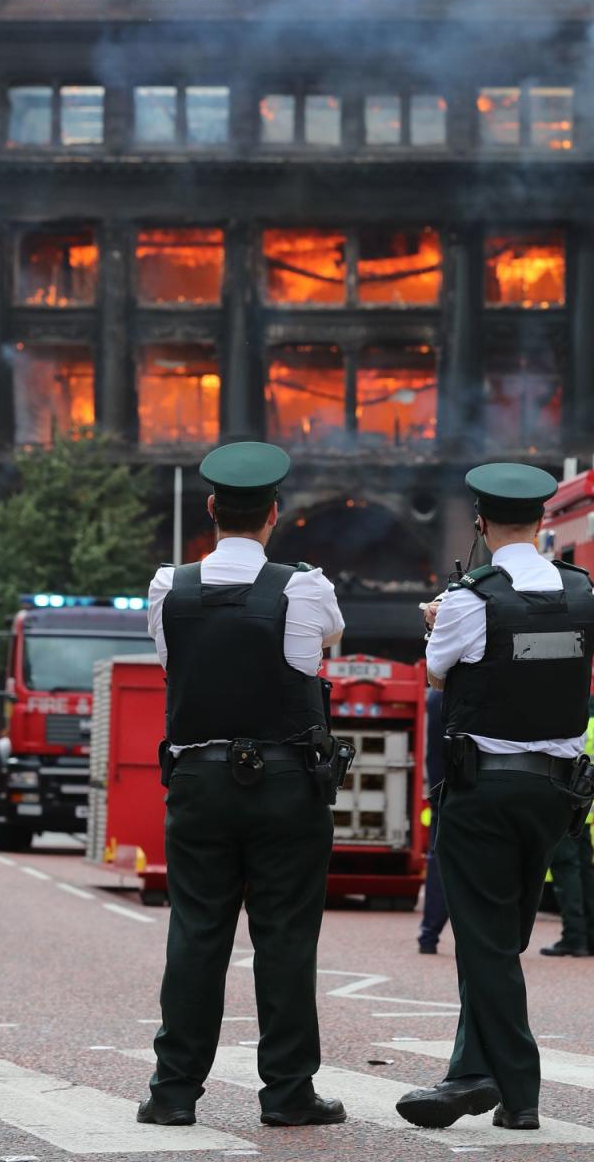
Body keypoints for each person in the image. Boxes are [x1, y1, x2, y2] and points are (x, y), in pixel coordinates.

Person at [137, 441, 347, 1130]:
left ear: (209, 509)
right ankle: (287, 1093)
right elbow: (325, 650)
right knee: (285, 937)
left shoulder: (170, 587)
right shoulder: (306, 587)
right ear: (273, 515)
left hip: (197, 776)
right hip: (287, 779)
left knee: (196, 934)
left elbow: (175, 664)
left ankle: (173, 1093)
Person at [396, 462, 594, 1134]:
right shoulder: (581, 593)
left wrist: (435, 620)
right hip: (555, 796)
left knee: (485, 942)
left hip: (484, 789)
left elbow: (434, 674)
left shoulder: (470, 597)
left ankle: (518, 1091)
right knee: (500, 938)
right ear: (542, 521)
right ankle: (468, 1074)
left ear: (480, 524)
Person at [541, 700, 594, 958]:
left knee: (566, 871)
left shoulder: (572, 718)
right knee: (586, 872)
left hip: (567, 803)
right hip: (585, 807)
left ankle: (574, 938)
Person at [417, 686, 449, 954]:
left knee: (438, 860)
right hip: (475, 791)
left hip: (441, 790)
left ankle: (429, 935)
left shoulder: (436, 697)